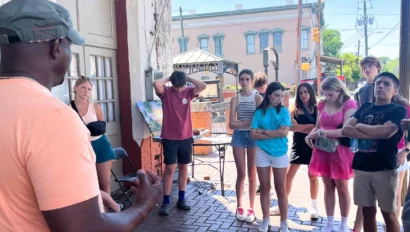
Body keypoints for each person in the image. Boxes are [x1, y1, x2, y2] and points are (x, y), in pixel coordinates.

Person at [0, 0, 162, 231]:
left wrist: (89, 196)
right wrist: (144, 204)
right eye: (69, 46)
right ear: (56, 46)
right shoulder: (54, 118)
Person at [342, 72, 407, 232]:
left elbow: (387, 133)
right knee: (367, 212)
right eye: (378, 83)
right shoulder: (364, 107)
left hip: (384, 168)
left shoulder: (398, 110)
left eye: (386, 84)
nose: (380, 86)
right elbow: (345, 130)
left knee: (389, 215)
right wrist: (377, 129)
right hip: (361, 167)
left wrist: (360, 126)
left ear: (395, 91)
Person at [306, 77, 358, 232]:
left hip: (340, 149)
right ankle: (329, 223)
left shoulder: (349, 104)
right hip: (323, 149)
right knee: (328, 186)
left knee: (342, 186)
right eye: (325, 94)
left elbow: (345, 131)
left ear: (339, 90)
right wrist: (309, 135)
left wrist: (322, 133)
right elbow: (317, 126)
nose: (328, 98)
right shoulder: (321, 104)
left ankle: (343, 223)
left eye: (331, 95)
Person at [153, 71, 206, 216]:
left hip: (186, 137)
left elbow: (203, 85)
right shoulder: (166, 92)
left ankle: (181, 200)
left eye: (180, 86)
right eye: (176, 86)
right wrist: (171, 78)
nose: (178, 90)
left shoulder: (188, 92)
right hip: (169, 138)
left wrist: (187, 78)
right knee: (170, 169)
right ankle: (166, 202)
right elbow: (156, 84)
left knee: (183, 168)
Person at [70, 76, 120, 212]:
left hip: (101, 145)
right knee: (87, 184)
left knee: (104, 182)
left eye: (89, 89)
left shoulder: (95, 107)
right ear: (75, 88)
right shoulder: (68, 108)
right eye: (83, 88)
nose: (86, 91)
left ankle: (106, 214)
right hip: (82, 148)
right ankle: (93, 213)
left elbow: (102, 127)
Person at [270, 83, 319, 219]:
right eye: (301, 92)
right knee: (289, 175)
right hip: (298, 145)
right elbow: (289, 128)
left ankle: (314, 206)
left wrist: (300, 127)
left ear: (310, 93)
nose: (303, 95)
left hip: (312, 145)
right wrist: (308, 127)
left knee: (312, 176)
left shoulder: (316, 108)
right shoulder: (294, 108)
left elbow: (317, 128)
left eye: (306, 92)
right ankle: (282, 204)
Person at [250, 82, 292, 232]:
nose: (279, 98)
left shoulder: (284, 111)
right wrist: (269, 134)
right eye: (276, 95)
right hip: (262, 153)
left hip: (280, 153)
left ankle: (284, 222)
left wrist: (264, 132)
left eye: (281, 96)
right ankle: (265, 220)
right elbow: (253, 133)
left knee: (281, 188)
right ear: (269, 95)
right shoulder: (259, 112)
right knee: (265, 188)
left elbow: (284, 133)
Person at [229, 69, 263, 222]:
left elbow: (260, 121)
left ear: (251, 80)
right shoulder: (235, 99)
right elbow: (231, 123)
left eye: (247, 79)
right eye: (241, 79)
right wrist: (248, 123)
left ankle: (251, 207)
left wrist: (240, 123)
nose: (244, 82)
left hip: (253, 136)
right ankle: (239, 206)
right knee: (241, 174)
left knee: (251, 175)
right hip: (238, 136)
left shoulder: (257, 98)